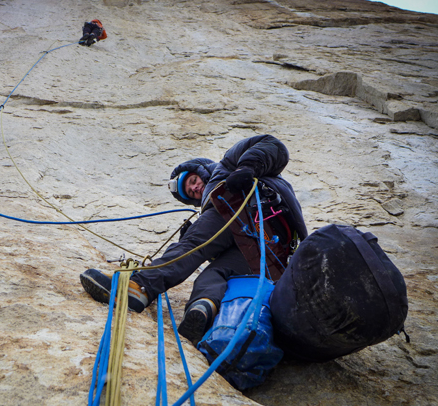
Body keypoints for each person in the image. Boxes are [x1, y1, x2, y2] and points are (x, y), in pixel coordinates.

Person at [80, 135, 308, 346]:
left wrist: (246, 168)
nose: (194, 188)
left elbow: (273, 145)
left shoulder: (227, 165)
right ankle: (203, 310)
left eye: (192, 180)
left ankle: (140, 287)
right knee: (215, 274)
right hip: (269, 249)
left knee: (191, 247)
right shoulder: (212, 199)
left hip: (239, 210)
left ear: (201, 169)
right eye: (190, 192)